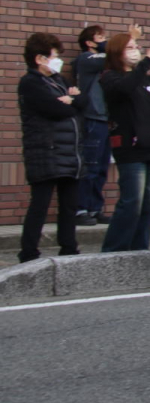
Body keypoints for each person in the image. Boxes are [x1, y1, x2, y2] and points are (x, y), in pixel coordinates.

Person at [100, 26, 150, 253]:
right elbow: (125, 88)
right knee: (131, 202)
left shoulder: (145, 81)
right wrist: (147, 60)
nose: (135, 51)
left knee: (149, 201)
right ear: (118, 53)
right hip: (129, 147)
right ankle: (114, 250)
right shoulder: (110, 78)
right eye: (130, 47)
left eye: (136, 47)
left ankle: (137, 248)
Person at [17, 33, 85, 263]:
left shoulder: (59, 80)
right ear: (40, 58)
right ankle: (28, 252)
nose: (59, 61)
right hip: (45, 151)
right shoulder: (31, 83)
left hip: (69, 153)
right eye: (55, 56)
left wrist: (72, 100)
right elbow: (54, 110)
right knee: (40, 205)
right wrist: (69, 102)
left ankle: (68, 247)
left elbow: (82, 102)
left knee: (69, 205)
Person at [72, 24, 111, 226]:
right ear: (89, 42)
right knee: (90, 166)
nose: (105, 40)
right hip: (91, 118)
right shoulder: (85, 59)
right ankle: (81, 209)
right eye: (100, 37)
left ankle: (95, 208)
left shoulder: (103, 63)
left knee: (102, 167)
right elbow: (110, 56)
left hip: (106, 119)